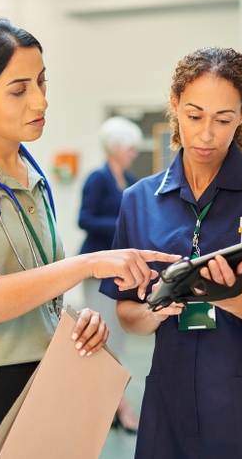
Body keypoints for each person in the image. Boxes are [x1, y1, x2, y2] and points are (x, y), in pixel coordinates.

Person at [0, 15, 179, 458]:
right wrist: (87, 265)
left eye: (42, 83)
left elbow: (38, 287)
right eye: (19, 89)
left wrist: (72, 323)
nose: (41, 102)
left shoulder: (32, 173)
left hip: (38, 390)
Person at [104, 47, 242, 458]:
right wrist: (156, 310)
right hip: (168, 402)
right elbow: (126, 314)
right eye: (194, 116)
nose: (207, 134)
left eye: (223, 119)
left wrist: (233, 299)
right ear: (174, 107)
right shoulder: (138, 200)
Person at [78, 116, 143, 432]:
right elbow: (85, 219)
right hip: (96, 269)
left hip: (118, 269)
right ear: (115, 147)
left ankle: (112, 403)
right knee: (102, 338)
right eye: (130, 147)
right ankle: (119, 405)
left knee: (115, 338)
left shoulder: (129, 178)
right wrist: (120, 226)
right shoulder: (97, 179)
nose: (133, 153)